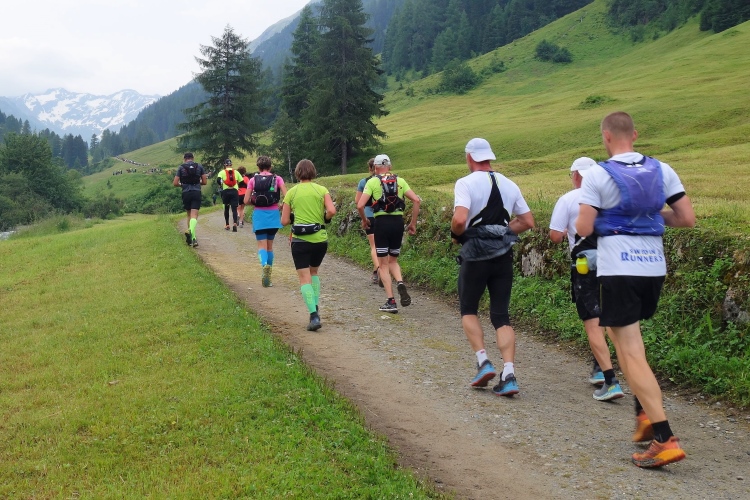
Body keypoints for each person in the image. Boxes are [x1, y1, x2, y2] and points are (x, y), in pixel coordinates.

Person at [577, 111, 695, 468]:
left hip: (619, 268)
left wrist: (612, 219)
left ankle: (665, 438)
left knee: (629, 352)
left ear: (606, 136)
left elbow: (584, 227)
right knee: (628, 342)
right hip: (653, 267)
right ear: (635, 135)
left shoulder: (597, 174)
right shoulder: (663, 169)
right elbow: (686, 218)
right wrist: (651, 218)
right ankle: (643, 414)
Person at [450, 138, 535, 397]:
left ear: (469, 157)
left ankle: (483, 361)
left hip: (475, 255)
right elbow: (527, 221)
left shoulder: (465, 183)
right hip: (503, 255)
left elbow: (460, 219)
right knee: (501, 316)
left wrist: (456, 235)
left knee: (468, 309)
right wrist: (502, 233)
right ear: (489, 157)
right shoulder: (510, 184)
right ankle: (509, 374)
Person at [549, 157, 624, 401]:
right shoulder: (612, 199)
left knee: (593, 321)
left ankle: (610, 380)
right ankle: (610, 369)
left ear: (576, 176)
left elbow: (555, 236)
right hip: (614, 263)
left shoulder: (569, 199)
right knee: (612, 320)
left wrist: (566, 232)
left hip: (585, 267)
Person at [356, 154, 421, 313]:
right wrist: (412, 223)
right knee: (393, 261)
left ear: (375, 167)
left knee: (383, 264)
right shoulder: (400, 181)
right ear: (390, 166)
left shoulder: (372, 182)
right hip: (398, 223)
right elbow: (416, 200)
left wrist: (364, 220)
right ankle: (400, 282)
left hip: (381, 224)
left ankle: (391, 301)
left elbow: (360, 205)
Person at [281, 159, 336, 331]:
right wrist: (325, 218)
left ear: (297, 173)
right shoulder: (321, 190)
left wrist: (294, 218)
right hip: (320, 239)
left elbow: (284, 221)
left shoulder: (291, 192)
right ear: (313, 172)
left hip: (300, 240)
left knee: (304, 278)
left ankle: (314, 315)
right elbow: (332, 210)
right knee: (314, 272)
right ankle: (315, 305)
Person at [245, 156, 287, 288]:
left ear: (258, 167)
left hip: (259, 215)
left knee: (261, 246)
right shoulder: (277, 179)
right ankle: (269, 276)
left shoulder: (253, 180)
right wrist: (281, 206)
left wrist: (255, 203)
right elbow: (287, 196)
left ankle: (264, 266)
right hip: (273, 215)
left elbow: (245, 200)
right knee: (270, 246)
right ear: (270, 166)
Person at [173, 152, 207, 248]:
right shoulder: (199, 166)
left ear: (184, 159)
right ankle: (191, 234)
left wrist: (182, 184)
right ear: (193, 158)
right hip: (196, 192)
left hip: (186, 193)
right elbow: (205, 182)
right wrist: (198, 183)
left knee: (189, 215)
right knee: (194, 215)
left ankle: (192, 237)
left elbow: (175, 183)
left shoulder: (181, 167)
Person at [355, 158, 380, 284]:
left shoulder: (363, 182)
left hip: (369, 215)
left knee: (374, 246)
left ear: (370, 168)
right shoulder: (387, 181)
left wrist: (364, 218)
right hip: (384, 216)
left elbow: (357, 201)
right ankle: (379, 271)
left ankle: (378, 270)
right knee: (384, 246)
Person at [217, 158, 240, 232]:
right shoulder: (236, 172)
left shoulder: (222, 172)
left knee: (226, 208)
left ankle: (227, 224)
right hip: (234, 191)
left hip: (226, 191)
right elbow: (241, 181)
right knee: (234, 209)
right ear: (231, 164)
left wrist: (221, 184)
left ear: (225, 165)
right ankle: (235, 223)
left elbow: (218, 180)